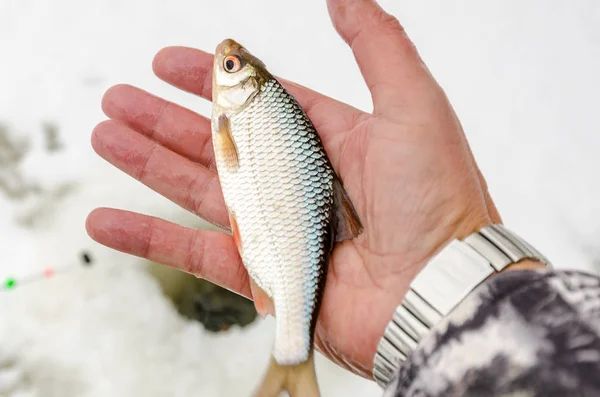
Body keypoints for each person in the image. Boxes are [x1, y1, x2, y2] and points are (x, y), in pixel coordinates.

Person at [85, 0, 600, 396]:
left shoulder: (246, 114)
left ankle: (292, 362)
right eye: (231, 67)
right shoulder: (243, 115)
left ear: (247, 85)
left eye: (233, 67)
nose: (227, 67)